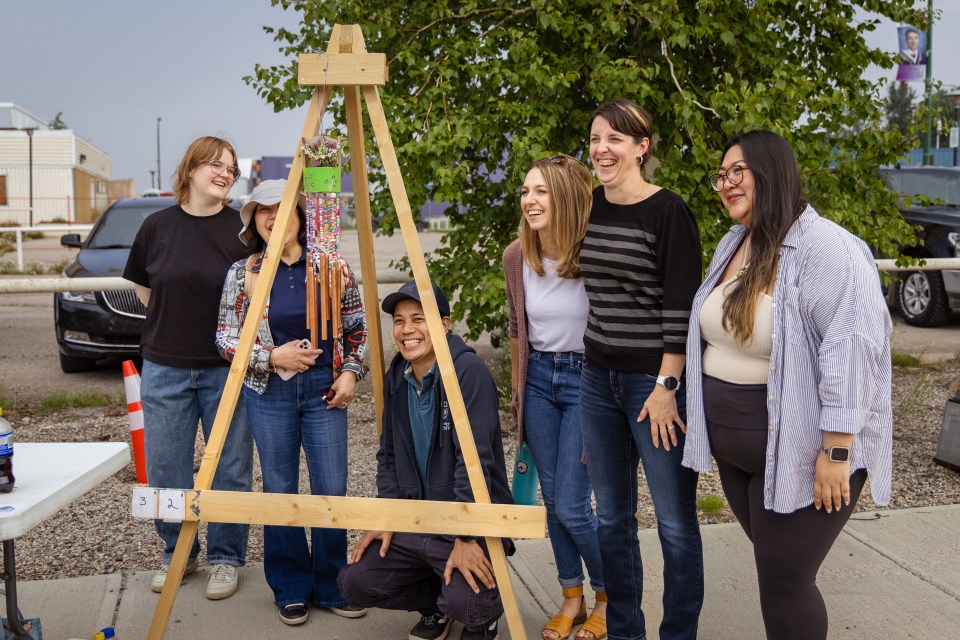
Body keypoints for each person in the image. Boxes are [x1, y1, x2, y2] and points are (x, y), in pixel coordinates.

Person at [684, 130, 893, 640]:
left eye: (738, 172)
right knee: (774, 570)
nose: (726, 183)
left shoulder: (825, 247)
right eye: (721, 174)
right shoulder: (735, 242)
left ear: (771, 172)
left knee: (785, 578)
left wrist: (837, 452)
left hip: (805, 454)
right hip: (742, 457)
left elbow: (854, 348)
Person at [577, 99, 704, 640]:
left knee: (674, 524)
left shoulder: (667, 211)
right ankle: (625, 630)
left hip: (652, 386)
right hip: (596, 380)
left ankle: (678, 634)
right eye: (596, 139)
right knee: (613, 520)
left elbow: (681, 307)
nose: (602, 150)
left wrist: (666, 386)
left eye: (615, 140)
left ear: (641, 147)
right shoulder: (588, 206)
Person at [215, 179, 368, 626]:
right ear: (254, 222)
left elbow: (356, 327)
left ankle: (332, 584)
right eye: (261, 210)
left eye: (280, 208)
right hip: (270, 390)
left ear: (301, 217)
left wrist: (349, 373)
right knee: (280, 489)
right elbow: (225, 338)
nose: (271, 216)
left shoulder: (332, 266)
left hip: (325, 387)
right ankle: (290, 587)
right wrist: (270, 356)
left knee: (331, 484)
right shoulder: (244, 273)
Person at [337, 280, 513, 640]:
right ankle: (436, 605)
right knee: (354, 581)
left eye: (418, 319)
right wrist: (387, 514)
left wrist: (466, 536)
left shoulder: (467, 373)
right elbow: (387, 454)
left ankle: (483, 614)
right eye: (399, 321)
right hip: (417, 521)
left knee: (470, 606)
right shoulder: (397, 375)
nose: (407, 330)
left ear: (445, 325)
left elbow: (476, 462)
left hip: (466, 523)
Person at [123, 136, 253, 600]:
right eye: (215, 165)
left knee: (230, 467)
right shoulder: (156, 227)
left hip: (226, 369)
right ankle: (177, 554)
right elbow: (143, 288)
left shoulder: (242, 232)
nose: (224, 173)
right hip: (165, 368)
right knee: (166, 467)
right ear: (192, 167)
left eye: (231, 169)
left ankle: (225, 558)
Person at [502, 155, 607, 640]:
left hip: (587, 380)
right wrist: (520, 391)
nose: (530, 200)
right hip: (540, 380)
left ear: (565, 196)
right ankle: (572, 597)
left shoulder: (595, 253)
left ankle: (610, 594)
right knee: (552, 500)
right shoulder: (516, 257)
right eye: (526, 191)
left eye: (541, 191)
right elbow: (517, 329)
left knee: (571, 502)